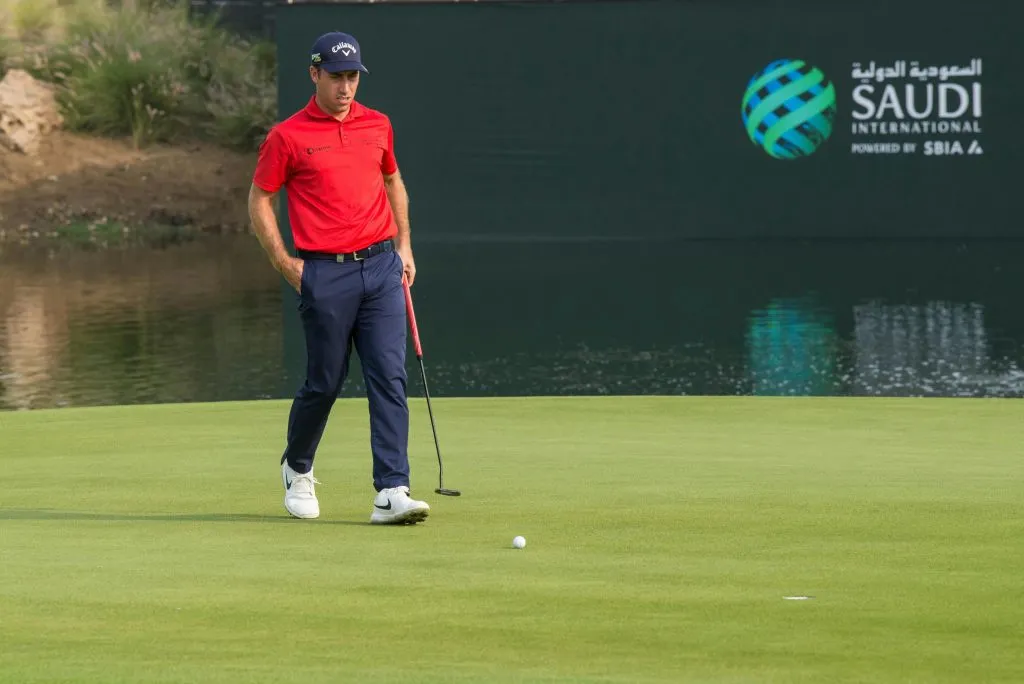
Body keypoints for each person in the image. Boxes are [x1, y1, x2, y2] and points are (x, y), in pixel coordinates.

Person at [247, 31, 430, 525]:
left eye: (352, 77)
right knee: (323, 383)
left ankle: (392, 489)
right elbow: (259, 199)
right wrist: (287, 264)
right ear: (314, 74)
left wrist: (404, 244)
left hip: (382, 267)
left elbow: (392, 179)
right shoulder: (287, 136)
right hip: (324, 272)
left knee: (388, 378)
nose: (346, 87)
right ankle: (298, 467)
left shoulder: (378, 125)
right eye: (336, 77)